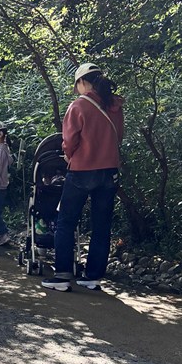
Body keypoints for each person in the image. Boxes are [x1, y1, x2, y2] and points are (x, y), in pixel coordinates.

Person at [42, 62, 125, 292]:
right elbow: (119, 136)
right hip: (109, 171)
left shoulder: (79, 106)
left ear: (81, 82)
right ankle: (93, 276)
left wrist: (70, 156)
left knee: (66, 221)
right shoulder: (114, 105)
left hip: (82, 170)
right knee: (102, 225)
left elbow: (68, 141)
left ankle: (62, 276)